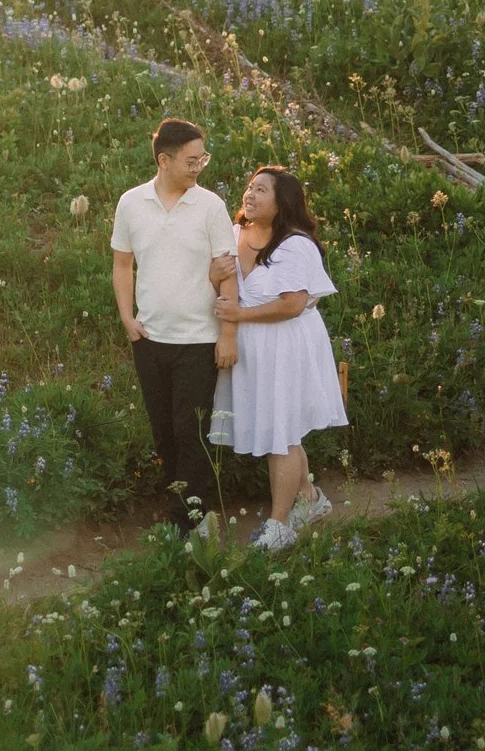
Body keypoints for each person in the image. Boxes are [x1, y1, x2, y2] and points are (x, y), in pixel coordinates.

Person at [208, 164, 345, 551]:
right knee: (280, 428)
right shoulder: (235, 234)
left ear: (282, 202)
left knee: (280, 434)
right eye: (250, 187)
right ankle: (312, 501)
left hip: (287, 345)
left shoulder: (295, 244)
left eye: (261, 190)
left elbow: (293, 304)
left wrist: (239, 317)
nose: (250, 195)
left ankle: (279, 524)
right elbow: (222, 285)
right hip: (254, 348)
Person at [110, 117, 237, 535]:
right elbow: (123, 264)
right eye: (191, 160)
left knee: (190, 430)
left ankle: (188, 523)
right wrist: (128, 319)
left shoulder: (211, 206)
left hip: (198, 340)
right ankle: (183, 506)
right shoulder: (131, 203)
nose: (199, 166)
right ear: (164, 160)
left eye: (203, 158)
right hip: (149, 338)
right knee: (163, 431)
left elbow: (228, 272)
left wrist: (228, 335)